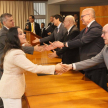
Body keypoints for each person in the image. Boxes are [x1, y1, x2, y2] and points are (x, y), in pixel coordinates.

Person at [0, 27, 66, 108]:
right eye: (20, 33)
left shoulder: (13, 50)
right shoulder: (15, 54)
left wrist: (54, 70)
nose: (24, 34)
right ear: (15, 37)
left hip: (11, 90)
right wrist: (55, 67)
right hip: (11, 91)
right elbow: (34, 68)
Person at [46, 8, 107, 90]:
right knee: (90, 90)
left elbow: (82, 41)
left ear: (89, 16)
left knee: (99, 90)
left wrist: (63, 44)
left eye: (82, 16)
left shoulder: (96, 28)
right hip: (88, 65)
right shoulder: (85, 29)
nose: (80, 18)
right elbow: (75, 39)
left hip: (97, 67)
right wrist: (59, 45)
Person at [62, 23, 108, 91]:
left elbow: (81, 41)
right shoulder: (106, 48)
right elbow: (93, 60)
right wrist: (71, 66)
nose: (102, 35)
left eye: (104, 33)